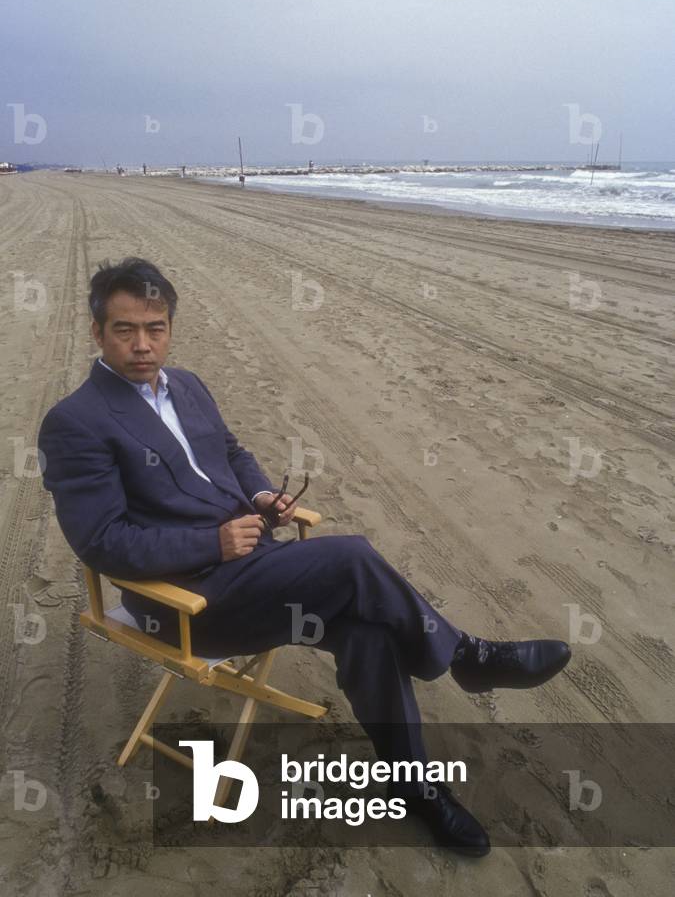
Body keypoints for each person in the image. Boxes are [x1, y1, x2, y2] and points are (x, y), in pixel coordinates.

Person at [37, 256, 571, 858]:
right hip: (189, 604)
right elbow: (101, 542)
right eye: (124, 330)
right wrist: (209, 543)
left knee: (369, 633)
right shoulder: (74, 424)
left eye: (154, 328)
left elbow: (230, 452)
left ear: (169, 327)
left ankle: (416, 789)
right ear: (97, 333)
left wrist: (262, 493)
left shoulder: (185, 385)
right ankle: (468, 656)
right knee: (350, 557)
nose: (142, 344)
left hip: (255, 571)